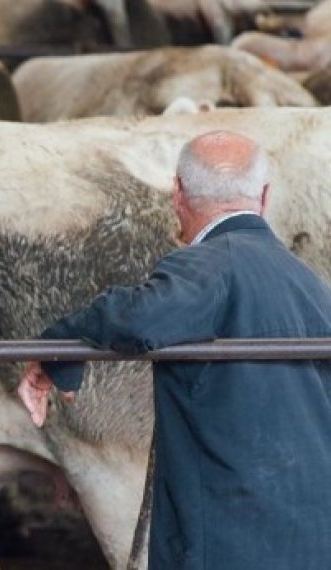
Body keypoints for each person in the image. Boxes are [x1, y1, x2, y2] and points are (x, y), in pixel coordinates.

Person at [19, 130, 331, 569]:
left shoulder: (208, 266)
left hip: (228, 542)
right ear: (264, 196)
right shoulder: (308, 282)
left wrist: (58, 346)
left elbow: (135, 318)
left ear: (178, 194)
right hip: (314, 538)